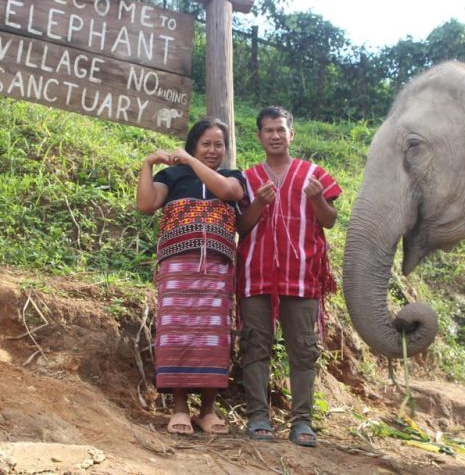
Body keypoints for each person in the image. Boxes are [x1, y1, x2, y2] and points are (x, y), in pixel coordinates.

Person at [237, 106, 342, 447]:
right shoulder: (247, 179)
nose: (275, 135)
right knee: (255, 346)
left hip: (302, 276)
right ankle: (258, 417)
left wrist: (316, 200)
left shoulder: (314, 175)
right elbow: (240, 227)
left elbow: (329, 221)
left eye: (281, 129)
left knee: (303, 350)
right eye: (268, 130)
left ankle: (302, 421)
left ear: (291, 134)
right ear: (259, 136)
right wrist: (258, 205)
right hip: (256, 275)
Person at [136, 118, 245, 436]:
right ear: (193, 145)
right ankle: (180, 409)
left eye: (219, 145)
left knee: (214, 337)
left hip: (217, 269)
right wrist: (147, 164)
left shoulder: (231, 177)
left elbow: (229, 192)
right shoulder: (172, 176)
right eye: (206, 144)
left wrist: (191, 161)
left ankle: (208, 411)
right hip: (177, 270)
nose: (213, 150)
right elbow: (146, 204)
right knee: (177, 335)